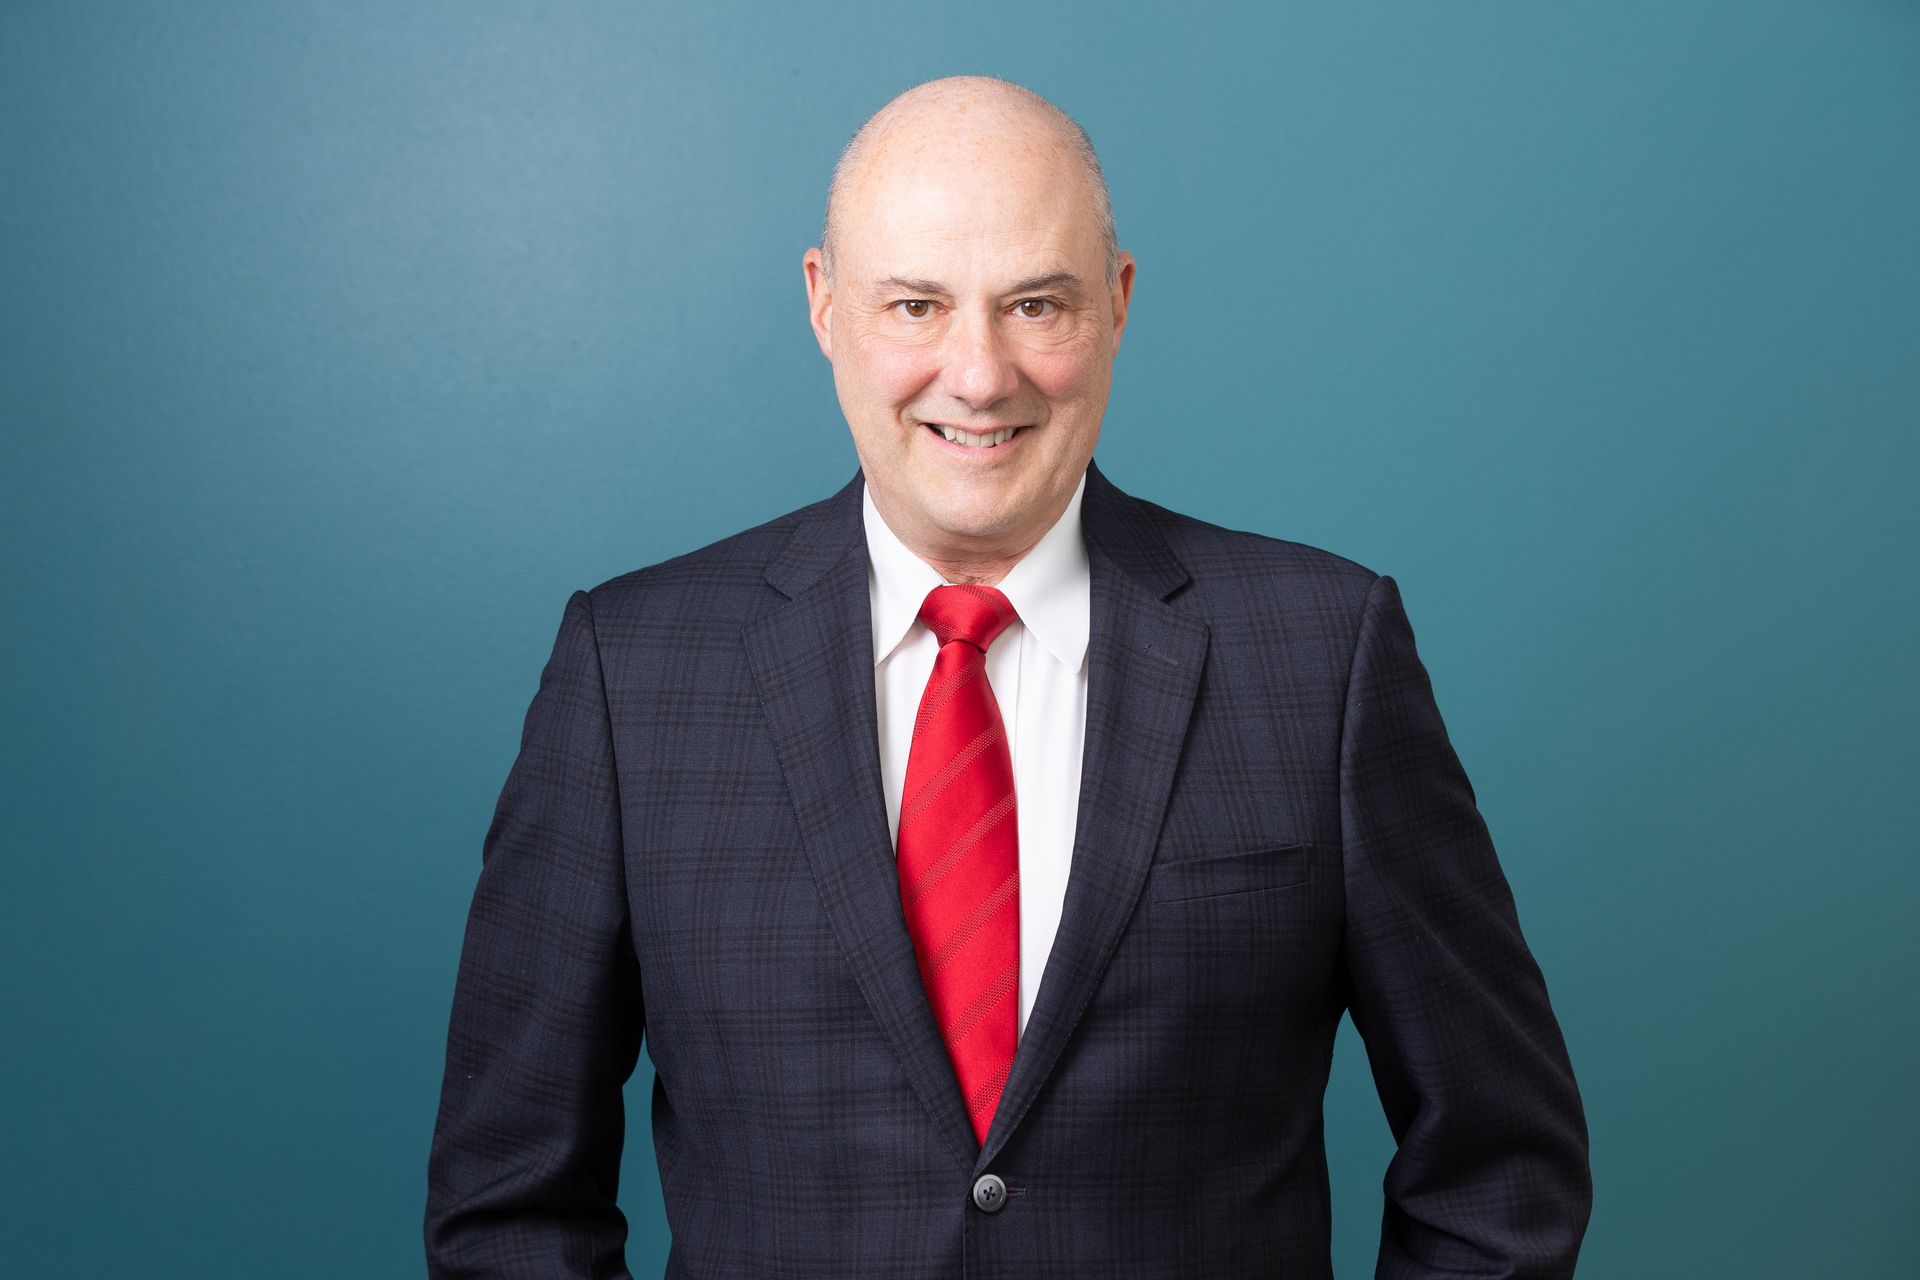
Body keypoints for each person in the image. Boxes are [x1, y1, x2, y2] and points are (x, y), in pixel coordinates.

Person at [424, 75, 1591, 1279]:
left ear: (1120, 302)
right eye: (916, 305)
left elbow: (1501, 1166)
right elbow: (507, 1201)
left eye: (1035, 304)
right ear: (825, 304)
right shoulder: (633, 673)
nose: (978, 375)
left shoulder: (1323, 651)